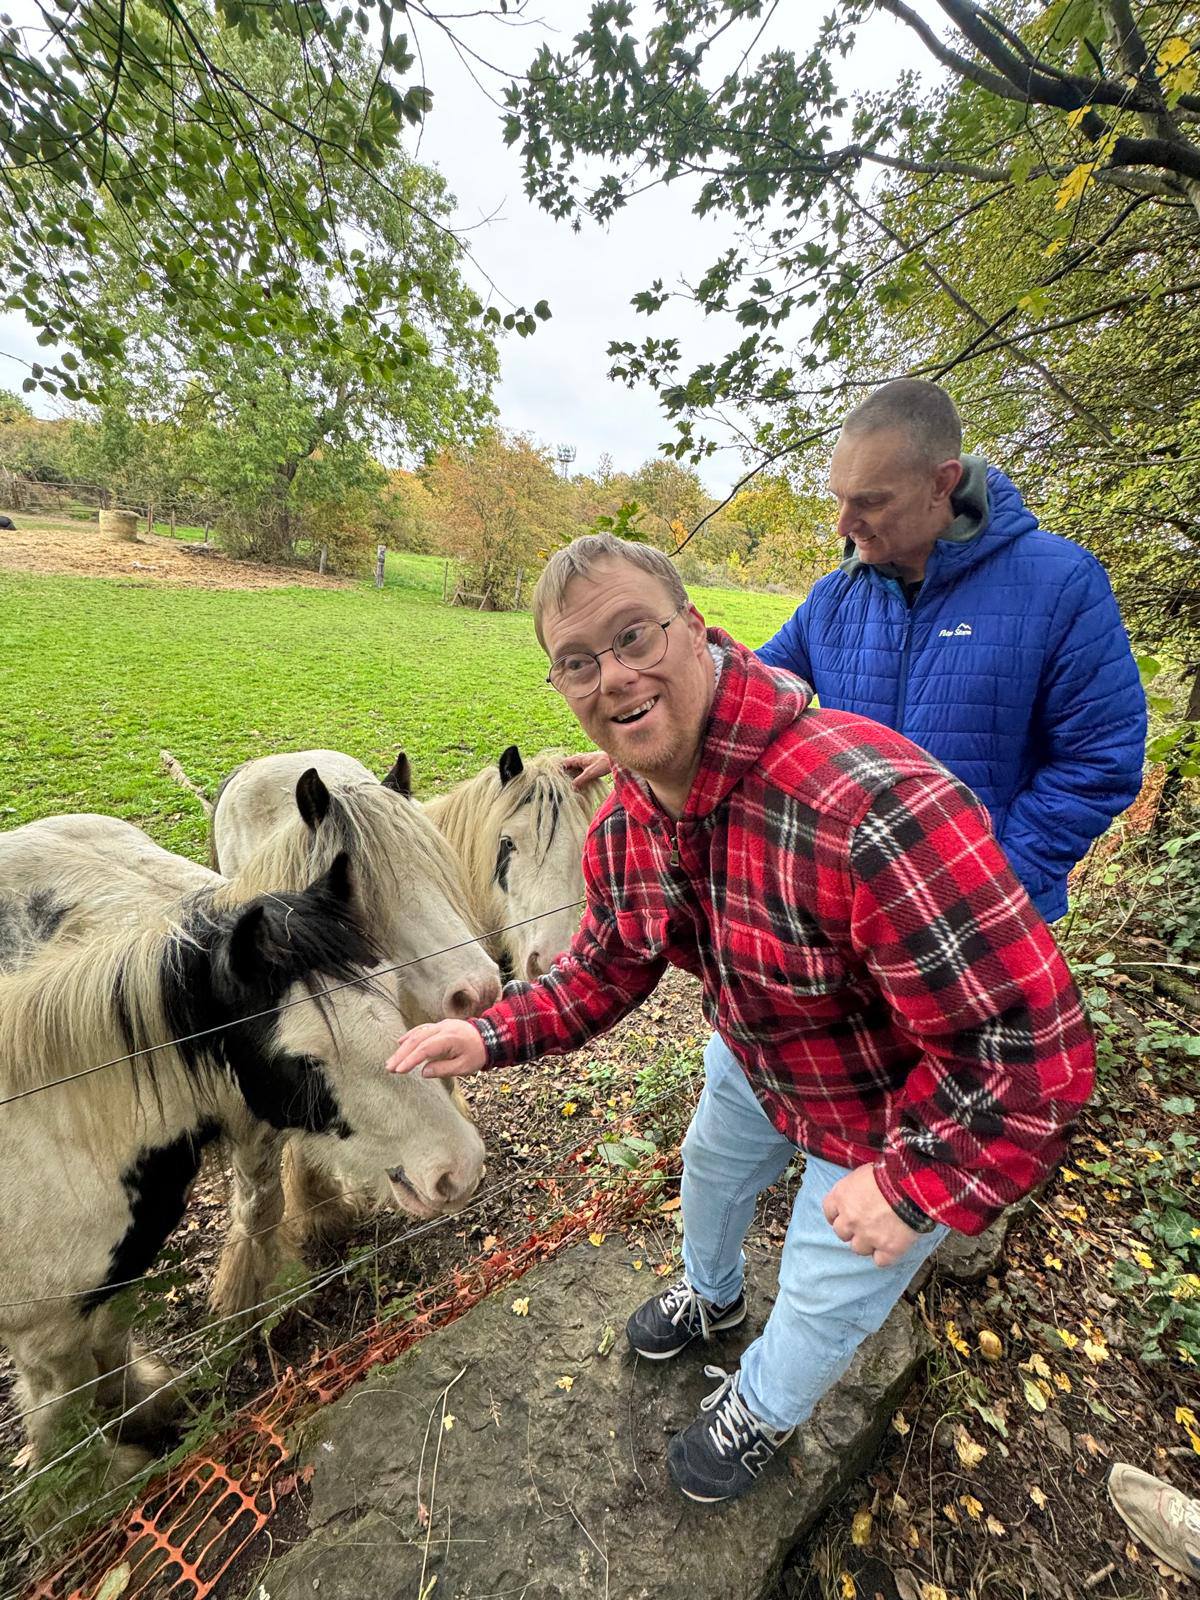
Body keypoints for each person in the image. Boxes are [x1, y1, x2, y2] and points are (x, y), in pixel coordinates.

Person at [386, 533, 1095, 1505]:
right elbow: (609, 962)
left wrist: (915, 1185)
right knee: (711, 1175)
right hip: (762, 1051)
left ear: (696, 629)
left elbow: (1031, 1050)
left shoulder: (871, 806)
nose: (614, 676)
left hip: (894, 1110)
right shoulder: (631, 819)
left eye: (634, 635)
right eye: (578, 661)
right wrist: (491, 1033)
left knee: (823, 1286)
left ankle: (763, 1407)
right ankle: (713, 1298)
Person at [566, 381, 1146, 924]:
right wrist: (645, 732)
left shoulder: (1059, 584)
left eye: (869, 501)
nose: (845, 524)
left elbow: (1101, 759)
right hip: (854, 908)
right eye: (840, 498)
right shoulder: (835, 597)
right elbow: (739, 687)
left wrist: (998, 877)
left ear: (942, 483)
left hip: (987, 918)